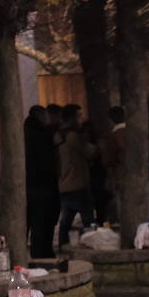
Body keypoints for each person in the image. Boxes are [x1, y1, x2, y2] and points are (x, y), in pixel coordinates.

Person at [56, 104, 94, 251]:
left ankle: (62, 248)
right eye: (79, 116)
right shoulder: (73, 136)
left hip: (64, 184)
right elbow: (89, 152)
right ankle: (90, 245)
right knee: (88, 220)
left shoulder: (58, 135)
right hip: (77, 183)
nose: (82, 119)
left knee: (66, 220)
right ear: (72, 117)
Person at [24, 104, 59, 259]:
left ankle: (40, 253)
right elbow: (46, 163)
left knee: (38, 223)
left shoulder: (27, 133)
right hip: (42, 186)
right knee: (42, 223)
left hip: (32, 186)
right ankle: (42, 253)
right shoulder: (41, 135)